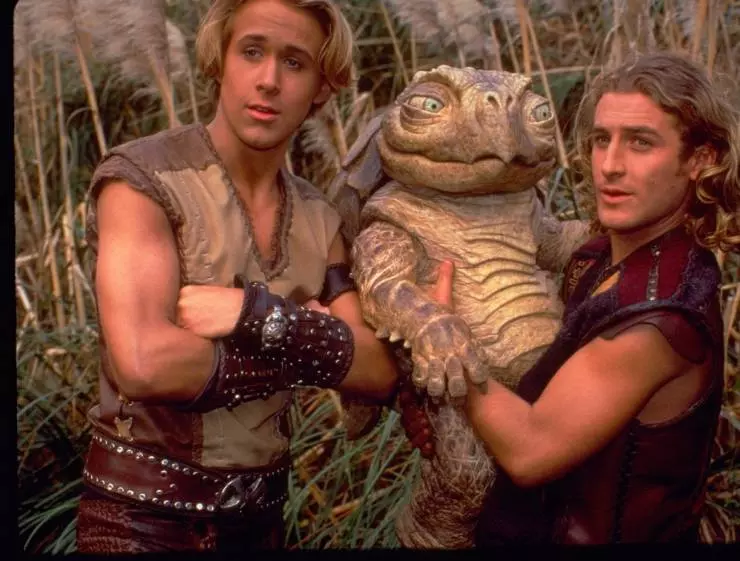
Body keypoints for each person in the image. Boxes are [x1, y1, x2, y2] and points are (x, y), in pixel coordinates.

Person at [74, 0, 431, 552]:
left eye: (294, 62)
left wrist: (254, 316)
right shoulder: (143, 179)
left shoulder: (319, 218)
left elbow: (380, 371)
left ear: (322, 86)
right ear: (220, 60)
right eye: (252, 51)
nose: (268, 80)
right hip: (140, 525)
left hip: (262, 526)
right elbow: (145, 363)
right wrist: (311, 345)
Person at [402, 51, 739, 544]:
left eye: (641, 142)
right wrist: (436, 406)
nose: (610, 165)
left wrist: (445, 344)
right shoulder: (599, 256)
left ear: (699, 160)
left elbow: (530, 449)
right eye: (602, 139)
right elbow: (543, 386)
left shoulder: (659, 319)